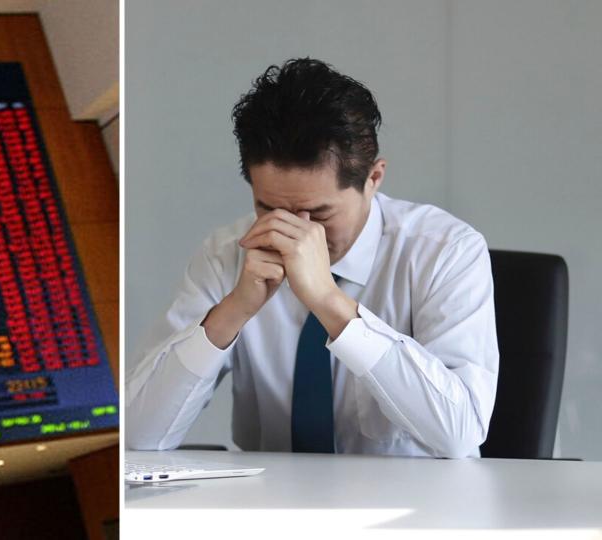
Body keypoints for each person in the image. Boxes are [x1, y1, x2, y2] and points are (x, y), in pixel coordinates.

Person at [126, 58, 499, 458]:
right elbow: (137, 435)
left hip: (417, 509)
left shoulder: (446, 251)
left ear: (373, 179)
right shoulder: (226, 254)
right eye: (268, 208)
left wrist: (330, 303)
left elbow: (460, 434)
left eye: (319, 214)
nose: (295, 234)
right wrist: (232, 312)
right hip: (268, 506)